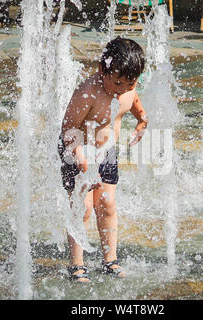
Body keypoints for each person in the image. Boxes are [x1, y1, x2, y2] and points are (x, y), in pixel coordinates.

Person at [58, 37, 148, 283]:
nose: (122, 89)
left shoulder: (126, 90)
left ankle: (110, 260)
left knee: (107, 205)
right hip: (78, 150)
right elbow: (68, 128)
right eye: (117, 82)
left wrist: (142, 120)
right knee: (84, 207)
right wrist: (80, 159)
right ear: (102, 70)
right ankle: (76, 264)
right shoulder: (88, 93)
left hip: (106, 152)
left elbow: (135, 102)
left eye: (130, 83)